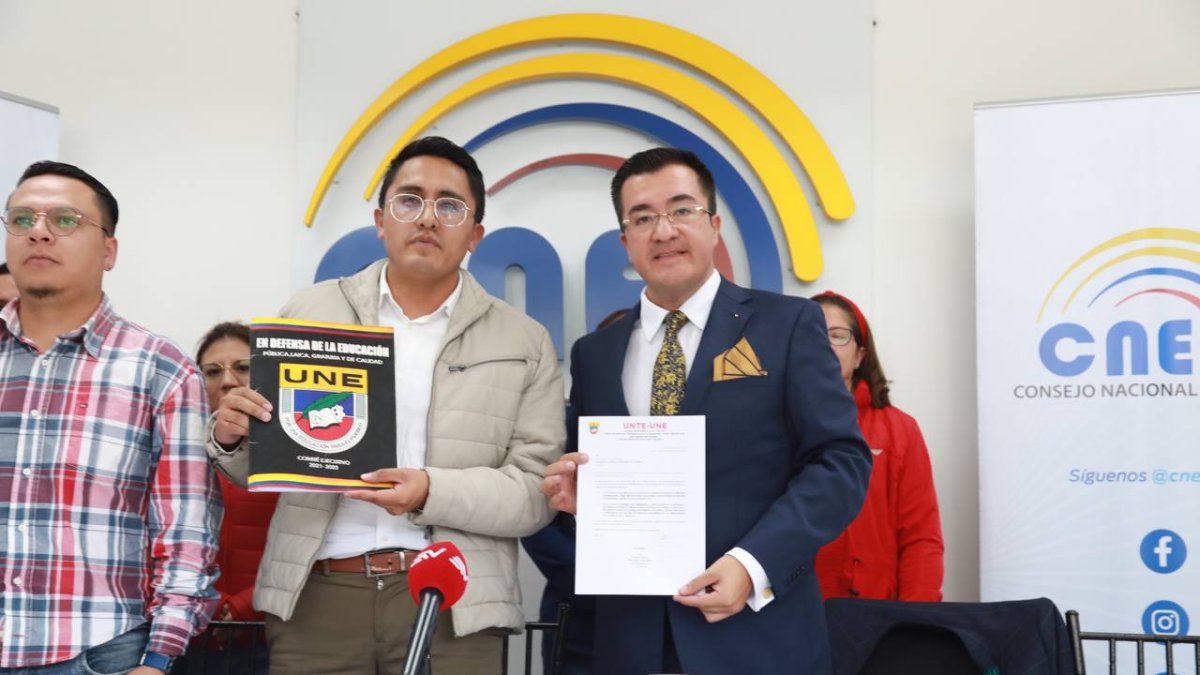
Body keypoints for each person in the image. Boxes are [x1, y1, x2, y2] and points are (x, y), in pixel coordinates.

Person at [208, 136, 565, 674]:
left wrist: (430, 491)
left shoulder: (523, 339)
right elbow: (266, 461)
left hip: (455, 599)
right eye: (409, 200)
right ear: (381, 220)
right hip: (319, 595)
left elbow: (535, 495)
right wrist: (232, 438)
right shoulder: (311, 311)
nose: (427, 218)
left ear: (476, 235)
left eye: (450, 205)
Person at [540, 147, 872, 674]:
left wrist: (752, 565)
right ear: (625, 240)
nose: (663, 230)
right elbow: (604, 490)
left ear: (714, 225)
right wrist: (585, 501)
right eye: (642, 217)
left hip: (757, 637)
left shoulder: (786, 325)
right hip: (629, 643)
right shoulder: (594, 355)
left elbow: (841, 462)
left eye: (681, 210)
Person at [0, 161, 220, 674]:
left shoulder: (160, 370)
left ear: (109, 250)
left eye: (66, 220)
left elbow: (187, 535)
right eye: (21, 218)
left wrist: (159, 659)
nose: (39, 232)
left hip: (97, 655)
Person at [811, 291, 945, 601]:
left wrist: (915, 620)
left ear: (860, 355)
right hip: (792, 616)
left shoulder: (900, 430)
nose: (824, 344)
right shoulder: (770, 426)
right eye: (812, 334)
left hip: (875, 615)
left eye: (837, 335)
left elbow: (921, 538)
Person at [521, 308, 627, 675]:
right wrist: (588, 575)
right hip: (578, 616)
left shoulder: (691, 431)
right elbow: (534, 517)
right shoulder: (560, 428)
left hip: (679, 609)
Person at [195, 321, 278, 671]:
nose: (228, 381)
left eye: (243, 367)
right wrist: (208, 603)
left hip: (270, 631)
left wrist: (243, 605)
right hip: (192, 634)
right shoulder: (175, 448)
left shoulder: (294, 451)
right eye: (212, 371)